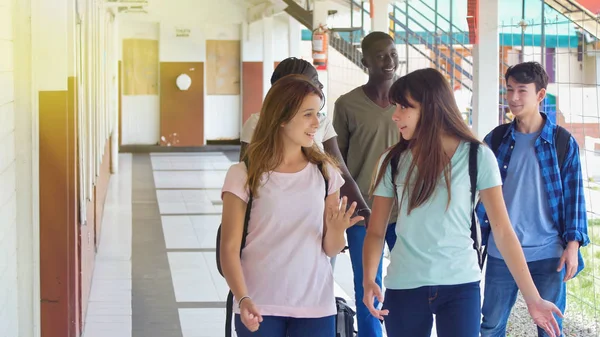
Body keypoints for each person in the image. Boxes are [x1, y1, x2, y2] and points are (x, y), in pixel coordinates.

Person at [362, 67, 563, 337]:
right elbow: (375, 231)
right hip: (404, 282)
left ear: (431, 107)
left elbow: (503, 232)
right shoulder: (393, 160)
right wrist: (368, 278)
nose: (395, 115)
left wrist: (532, 298)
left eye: (403, 107)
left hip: (460, 284)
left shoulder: (478, 156)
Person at [220, 74, 363, 337]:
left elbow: (330, 249)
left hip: (315, 306)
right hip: (258, 303)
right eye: (308, 114)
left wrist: (336, 229)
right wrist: (243, 299)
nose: (316, 123)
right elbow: (228, 248)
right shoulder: (244, 174)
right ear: (282, 118)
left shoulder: (326, 172)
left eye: (318, 114)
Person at [478, 61, 589, 337]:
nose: (513, 98)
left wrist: (573, 244)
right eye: (509, 90)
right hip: (501, 252)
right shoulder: (495, 139)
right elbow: (478, 195)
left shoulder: (562, 142)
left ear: (540, 95)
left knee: (550, 329)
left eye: (522, 91)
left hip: (548, 253)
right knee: (490, 326)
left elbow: (575, 195)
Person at [240, 57, 371, 251]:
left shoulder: (322, 124)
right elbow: (246, 178)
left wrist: (364, 211)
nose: (318, 86)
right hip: (270, 223)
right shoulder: (256, 123)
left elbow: (340, 173)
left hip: (315, 220)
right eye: (312, 82)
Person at [332, 31, 400, 337]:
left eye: (393, 54)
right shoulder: (347, 105)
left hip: (405, 213)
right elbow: (337, 162)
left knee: (408, 282)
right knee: (367, 284)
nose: (389, 61)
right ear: (365, 61)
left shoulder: (409, 102)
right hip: (362, 213)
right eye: (381, 55)